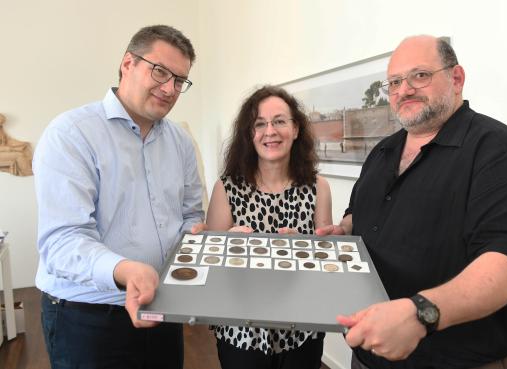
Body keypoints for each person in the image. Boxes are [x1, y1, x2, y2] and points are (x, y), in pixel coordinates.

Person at [317, 35, 507, 369]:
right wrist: (342, 231)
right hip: (373, 352)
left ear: (456, 78)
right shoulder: (383, 152)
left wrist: (420, 314)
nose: (404, 90)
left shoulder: (501, 153)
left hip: (464, 359)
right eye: (395, 82)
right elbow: (362, 213)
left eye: (420, 76)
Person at [33, 25, 204, 369]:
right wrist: (126, 270)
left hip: (161, 306)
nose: (170, 88)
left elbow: (189, 214)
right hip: (87, 318)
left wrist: (199, 243)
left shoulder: (181, 142)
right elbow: (63, 241)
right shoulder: (71, 134)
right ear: (128, 63)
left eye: (179, 81)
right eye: (160, 71)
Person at [205, 85, 333, 369]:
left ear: (296, 129)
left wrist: (309, 249)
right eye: (259, 124)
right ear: (248, 134)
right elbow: (210, 266)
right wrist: (225, 243)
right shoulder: (226, 189)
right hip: (241, 329)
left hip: (303, 329)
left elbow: (327, 265)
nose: (270, 131)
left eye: (279, 121)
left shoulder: (318, 188)